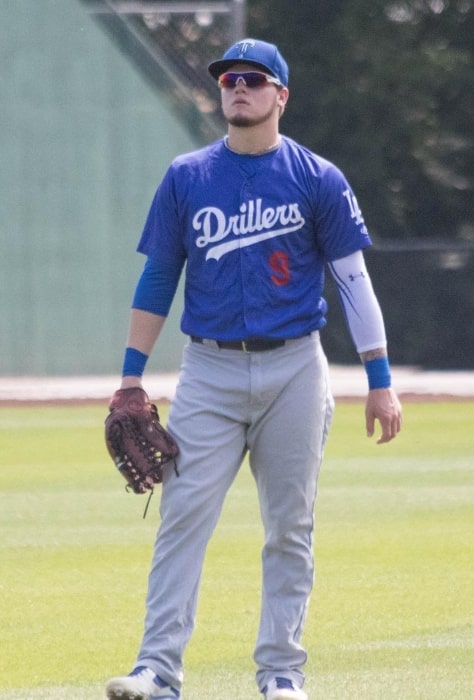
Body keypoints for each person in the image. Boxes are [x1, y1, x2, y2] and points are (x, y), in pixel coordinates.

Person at [105, 38, 402, 700]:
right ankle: (157, 670)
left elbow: (353, 281)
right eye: (229, 79)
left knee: (290, 526)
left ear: (280, 96)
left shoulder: (317, 178)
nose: (237, 87)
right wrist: (130, 378)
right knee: (182, 516)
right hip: (208, 371)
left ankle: (281, 675)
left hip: (296, 368)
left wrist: (380, 382)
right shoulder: (188, 176)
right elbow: (158, 279)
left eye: (253, 79)